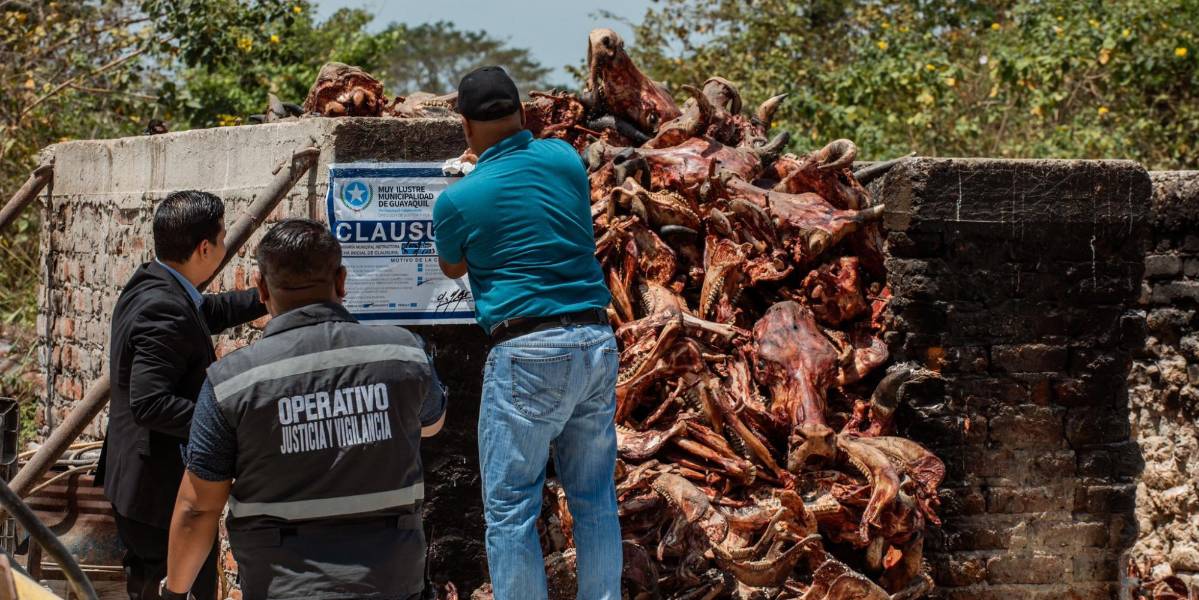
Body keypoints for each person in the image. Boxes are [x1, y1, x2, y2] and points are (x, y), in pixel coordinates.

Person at [163, 218, 446, 600]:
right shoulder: (404, 354)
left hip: (283, 586)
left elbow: (198, 509)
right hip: (393, 583)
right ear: (342, 281)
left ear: (261, 289)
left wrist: (175, 593)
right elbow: (432, 424)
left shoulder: (231, 382)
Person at [432, 66, 621, 600]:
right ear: (521, 113)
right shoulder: (565, 159)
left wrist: (470, 182)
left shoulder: (457, 201)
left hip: (527, 352)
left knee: (512, 508)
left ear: (465, 128)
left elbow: (452, 268)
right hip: (594, 340)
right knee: (594, 498)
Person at [99, 190, 267, 600]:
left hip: (137, 485)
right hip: (157, 496)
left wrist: (268, 295)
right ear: (205, 247)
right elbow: (149, 402)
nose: (226, 247)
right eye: (224, 238)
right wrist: (220, 425)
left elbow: (203, 314)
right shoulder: (164, 307)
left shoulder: (153, 283)